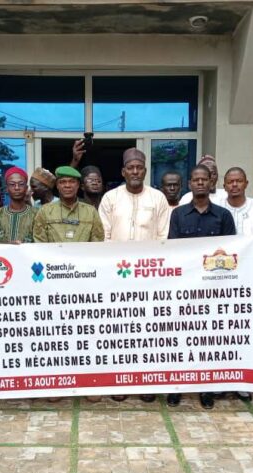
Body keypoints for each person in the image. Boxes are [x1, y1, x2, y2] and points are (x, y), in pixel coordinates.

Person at [99, 147, 170, 402]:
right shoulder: (110, 198)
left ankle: (147, 381)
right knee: (119, 331)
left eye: (139, 167)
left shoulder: (158, 198)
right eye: (131, 167)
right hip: (117, 276)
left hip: (149, 275)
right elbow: (104, 236)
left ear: (145, 170)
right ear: (123, 171)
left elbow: (163, 236)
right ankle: (120, 380)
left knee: (148, 330)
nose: (135, 171)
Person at [166, 165, 236, 409]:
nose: (199, 183)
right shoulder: (178, 215)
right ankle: (178, 387)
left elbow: (230, 253)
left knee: (208, 340)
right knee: (181, 338)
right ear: (189, 184)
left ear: (210, 183)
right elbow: (173, 252)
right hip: (184, 288)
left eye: (203, 179)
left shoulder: (223, 216)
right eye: (195, 180)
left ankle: (206, 388)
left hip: (213, 289)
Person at [34, 166, 104, 402]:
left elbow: (98, 247)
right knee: (57, 337)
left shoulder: (90, 212)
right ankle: (58, 383)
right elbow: (38, 248)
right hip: (55, 287)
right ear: (57, 186)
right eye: (62, 182)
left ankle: (90, 383)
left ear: (79, 186)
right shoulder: (45, 212)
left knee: (87, 336)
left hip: (85, 287)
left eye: (71, 182)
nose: (66, 186)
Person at [0, 166, 37, 242]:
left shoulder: (37, 215)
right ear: (7, 188)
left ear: (26, 188)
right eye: (12, 184)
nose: (17, 188)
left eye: (21, 184)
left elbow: (40, 243)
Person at [220, 167, 253, 236]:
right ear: (224, 186)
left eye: (239, 181)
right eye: (230, 182)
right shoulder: (217, 208)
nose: (234, 184)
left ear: (246, 184)